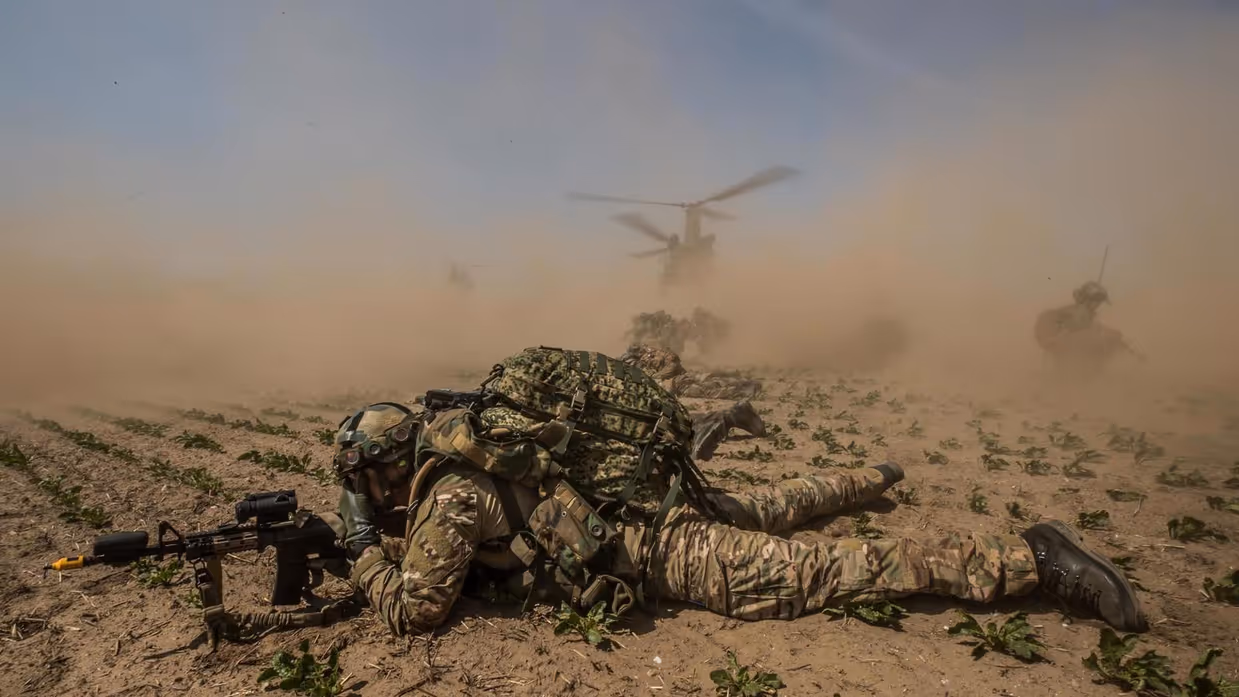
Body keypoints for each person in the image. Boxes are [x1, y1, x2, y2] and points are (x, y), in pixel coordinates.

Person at [333, 360, 1147, 638]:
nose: (366, 494)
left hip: (660, 549)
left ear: (380, 468)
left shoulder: (449, 494)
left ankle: (1028, 557)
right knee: (770, 502)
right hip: (654, 501)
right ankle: (872, 477)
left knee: (829, 572)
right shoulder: (476, 433)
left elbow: (413, 611)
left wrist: (364, 545)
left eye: (362, 482)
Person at [619, 343, 765, 460]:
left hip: (676, 384)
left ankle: (731, 414)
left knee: (711, 390)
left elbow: (668, 371)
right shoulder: (643, 366)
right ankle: (740, 396)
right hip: (676, 383)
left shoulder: (646, 365)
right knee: (711, 386)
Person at [1034, 282, 1140, 376]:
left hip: (1064, 359)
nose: (1098, 305)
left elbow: (1094, 326)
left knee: (1109, 336)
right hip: (1072, 364)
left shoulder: (1075, 310)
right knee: (1106, 339)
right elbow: (1069, 332)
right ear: (1089, 300)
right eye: (1097, 302)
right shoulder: (1081, 313)